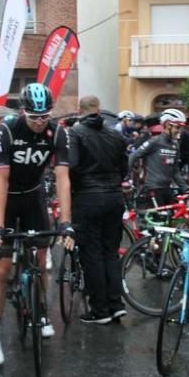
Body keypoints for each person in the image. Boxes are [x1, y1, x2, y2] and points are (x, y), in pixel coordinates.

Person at [0, 84, 58, 365]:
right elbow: (1, 181)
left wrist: (66, 223)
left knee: (41, 262)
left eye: (44, 116)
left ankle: (40, 310)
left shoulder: (55, 132)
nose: (40, 122)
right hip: (7, 196)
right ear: (23, 111)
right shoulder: (7, 130)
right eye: (33, 116)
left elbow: (62, 177)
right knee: (2, 268)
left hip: (33, 196)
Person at [55, 95, 129, 324]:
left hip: (88, 198)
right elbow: (124, 167)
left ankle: (100, 309)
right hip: (115, 197)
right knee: (110, 252)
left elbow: (73, 167)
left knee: (92, 254)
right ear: (99, 110)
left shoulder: (75, 133)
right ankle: (116, 304)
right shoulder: (115, 134)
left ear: (80, 110)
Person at [128, 108, 189, 206]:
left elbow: (175, 171)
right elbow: (133, 156)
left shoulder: (175, 145)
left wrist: (187, 189)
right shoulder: (154, 141)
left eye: (181, 128)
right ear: (166, 125)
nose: (179, 131)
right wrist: (127, 178)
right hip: (152, 189)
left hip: (166, 189)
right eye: (177, 127)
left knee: (176, 219)